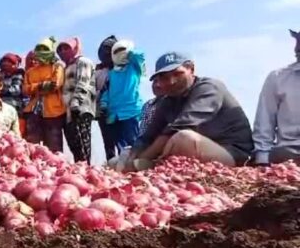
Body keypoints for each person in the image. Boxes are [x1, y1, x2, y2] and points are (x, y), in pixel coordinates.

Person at [118, 52, 253, 172]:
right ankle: (142, 166)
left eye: (177, 74)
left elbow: (180, 127)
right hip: (194, 152)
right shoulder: (168, 100)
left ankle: (144, 168)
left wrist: (142, 159)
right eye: (164, 77)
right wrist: (133, 154)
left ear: (191, 69)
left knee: (184, 138)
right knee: (119, 159)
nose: (171, 81)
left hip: (231, 153)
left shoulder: (209, 87)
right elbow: (147, 136)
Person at [251, 29, 300, 165]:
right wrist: (262, 161)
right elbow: (264, 122)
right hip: (289, 153)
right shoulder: (278, 78)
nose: (297, 48)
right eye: (298, 42)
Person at [99, 39, 145, 154]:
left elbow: (140, 57)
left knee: (133, 142)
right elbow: (106, 91)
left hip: (131, 112)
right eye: (117, 51)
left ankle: (137, 166)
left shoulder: (134, 68)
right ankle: (124, 169)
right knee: (121, 146)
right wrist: (104, 105)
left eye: (122, 50)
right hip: (114, 114)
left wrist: (130, 53)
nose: (120, 53)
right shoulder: (111, 74)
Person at [57, 37, 96, 163]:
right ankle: (80, 171)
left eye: (66, 48)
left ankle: (86, 172)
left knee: (83, 146)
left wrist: (76, 102)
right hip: (68, 111)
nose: (63, 52)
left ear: (75, 48)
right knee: (74, 146)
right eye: (60, 50)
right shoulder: (66, 67)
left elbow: (83, 83)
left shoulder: (83, 61)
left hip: (80, 108)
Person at [23, 37, 66, 151]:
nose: (42, 51)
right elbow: (25, 89)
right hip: (33, 111)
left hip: (54, 112)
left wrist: (36, 87)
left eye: (45, 49)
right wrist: (41, 86)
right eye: (39, 49)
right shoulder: (30, 72)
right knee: (32, 146)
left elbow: (55, 84)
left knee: (54, 147)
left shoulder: (57, 66)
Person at [95, 35, 118, 161]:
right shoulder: (98, 71)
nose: (106, 54)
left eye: (109, 51)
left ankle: (126, 166)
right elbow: (93, 89)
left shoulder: (123, 69)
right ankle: (112, 164)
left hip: (120, 109)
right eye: (104, 52)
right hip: (103, 111)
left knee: (123, 141)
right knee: (108, 142)